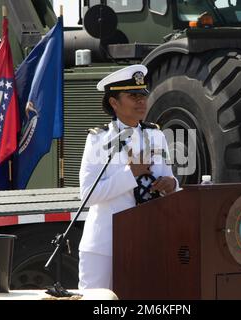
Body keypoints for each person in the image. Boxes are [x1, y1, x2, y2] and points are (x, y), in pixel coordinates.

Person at [78, 64, 179, 290]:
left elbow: (170, 180)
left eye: (143, 95)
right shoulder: (98, 139)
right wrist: (131, 173)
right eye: (133, 96)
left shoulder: (156, 135)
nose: (141, 101)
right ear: (114, 103)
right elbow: (87, 195)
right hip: (105, 245)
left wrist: (172, 185)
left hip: (149, 240)